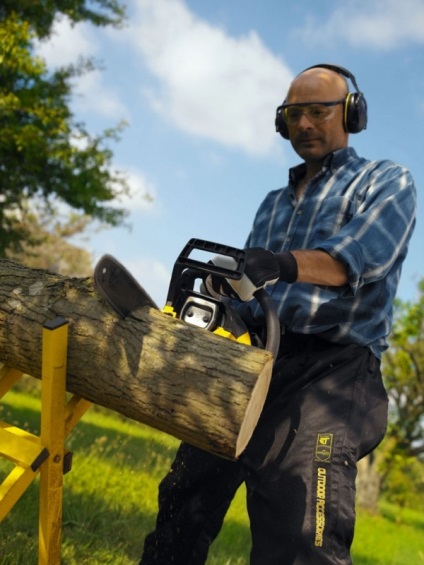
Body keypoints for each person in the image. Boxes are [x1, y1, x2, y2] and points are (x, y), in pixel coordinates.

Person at [140, 64, 417, 564]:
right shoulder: (272, 204)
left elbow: (353, 258)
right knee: (185, 499)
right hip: (256, 357)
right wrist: (224, 288)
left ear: (351, 114)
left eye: (318, 111)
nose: (305, 124)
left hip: (331, 370)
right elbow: (252, 289)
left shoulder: (387, 181)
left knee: (299, 532)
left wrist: (282, 264)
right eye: (295, 114)